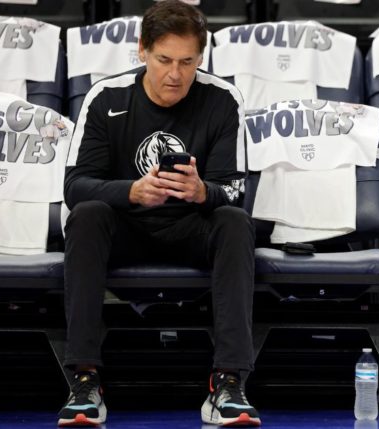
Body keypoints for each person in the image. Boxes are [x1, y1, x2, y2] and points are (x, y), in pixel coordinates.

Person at [57, 1, 259, 426]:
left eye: (188, 61)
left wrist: (203, 191)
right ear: (142, 51)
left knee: (235, 222)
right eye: (164, 59)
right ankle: (85, 379)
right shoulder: (105, 96)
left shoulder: (223, 99)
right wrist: (131, 191)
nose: (175, 74)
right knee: (87, 215)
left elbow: (233, 191)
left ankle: (228, 382)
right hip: (126, 227)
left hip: (190, 228)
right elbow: (74, 187)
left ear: (201, 58)